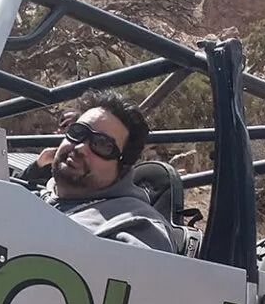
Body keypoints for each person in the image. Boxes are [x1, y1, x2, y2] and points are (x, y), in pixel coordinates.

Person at [24, 91, 177, 253]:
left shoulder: (137, 226)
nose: (80, 147)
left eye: (102, 144)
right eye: (78, 132)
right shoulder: (45, 193)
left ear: (123, 166)